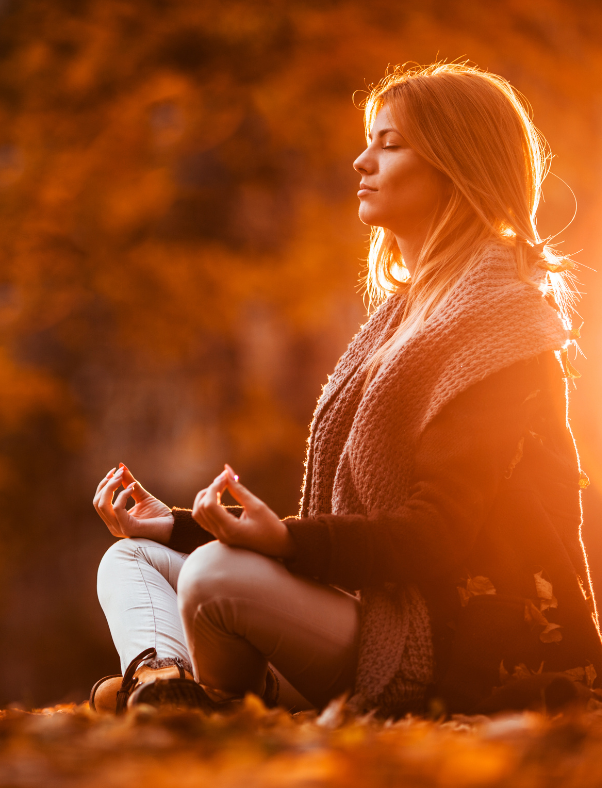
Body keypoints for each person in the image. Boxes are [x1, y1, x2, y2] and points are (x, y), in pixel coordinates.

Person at [91, 62, 602, 718]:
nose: (362, 162)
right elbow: (350, 529)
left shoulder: (500, 324)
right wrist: (179, 525)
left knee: (214, 576)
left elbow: (438, 535)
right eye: (369, 143)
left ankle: (214, 702)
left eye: (391, 145)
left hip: (449, 645)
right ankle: (160, 683)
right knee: (134, 555)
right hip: (368, 616)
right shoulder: (404, 319)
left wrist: (285, 542)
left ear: (457, 165)